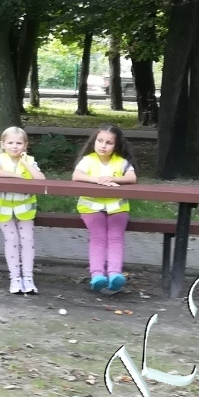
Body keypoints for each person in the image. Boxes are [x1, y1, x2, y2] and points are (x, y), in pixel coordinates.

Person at [72, 124, 137, 294]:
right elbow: (77, 175)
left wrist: (113, 179)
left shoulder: (121, 162)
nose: (103, 145)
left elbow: (132, 177)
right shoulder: (88, 160)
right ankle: (97, 275)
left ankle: (115, 274)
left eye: (109, 142)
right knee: (98, 237)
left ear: (116, 145)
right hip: (91, 207)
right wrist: (97, 180)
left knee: (116, 238)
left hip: (117, 207)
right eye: (100, 141)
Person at [0, 126, 44, 296]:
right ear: (3, 144)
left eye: (19, 143)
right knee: (12, 239)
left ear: (25, 145)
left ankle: (28, 278)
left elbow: (40, 179)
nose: (14, 146)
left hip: (25, 208)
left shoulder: (30, 161)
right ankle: (15, 278)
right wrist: (18, 176)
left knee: (27, 240)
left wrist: (25, 163)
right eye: (10, 143)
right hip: (4, 209)